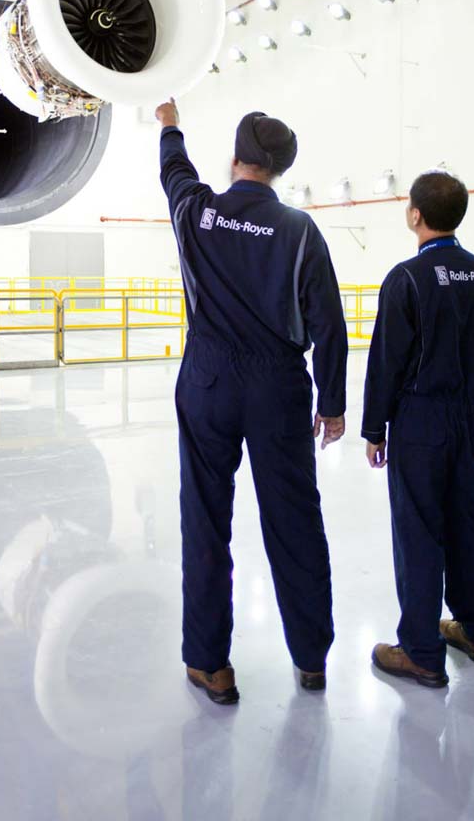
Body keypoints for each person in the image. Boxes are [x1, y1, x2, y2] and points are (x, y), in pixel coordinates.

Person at [155, 98, 348, 705]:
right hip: (278, 388)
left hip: (209, 378)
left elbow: (174, 171)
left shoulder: (197, 211)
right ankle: (311, 657)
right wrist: (334, 403)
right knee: (295, 519)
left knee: (207, 522)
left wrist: (170, 126)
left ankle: (211, 664)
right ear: (280, 170)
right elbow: (329, 324)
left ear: (235, 159)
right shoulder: (299, 230)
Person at [363, 170, 474, 688]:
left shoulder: (407, 278)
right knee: (472, 523)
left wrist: (375, 427)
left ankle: (422, 651)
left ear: (415, 215)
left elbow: (386, 360)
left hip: (423, 422)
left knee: (420, 530)